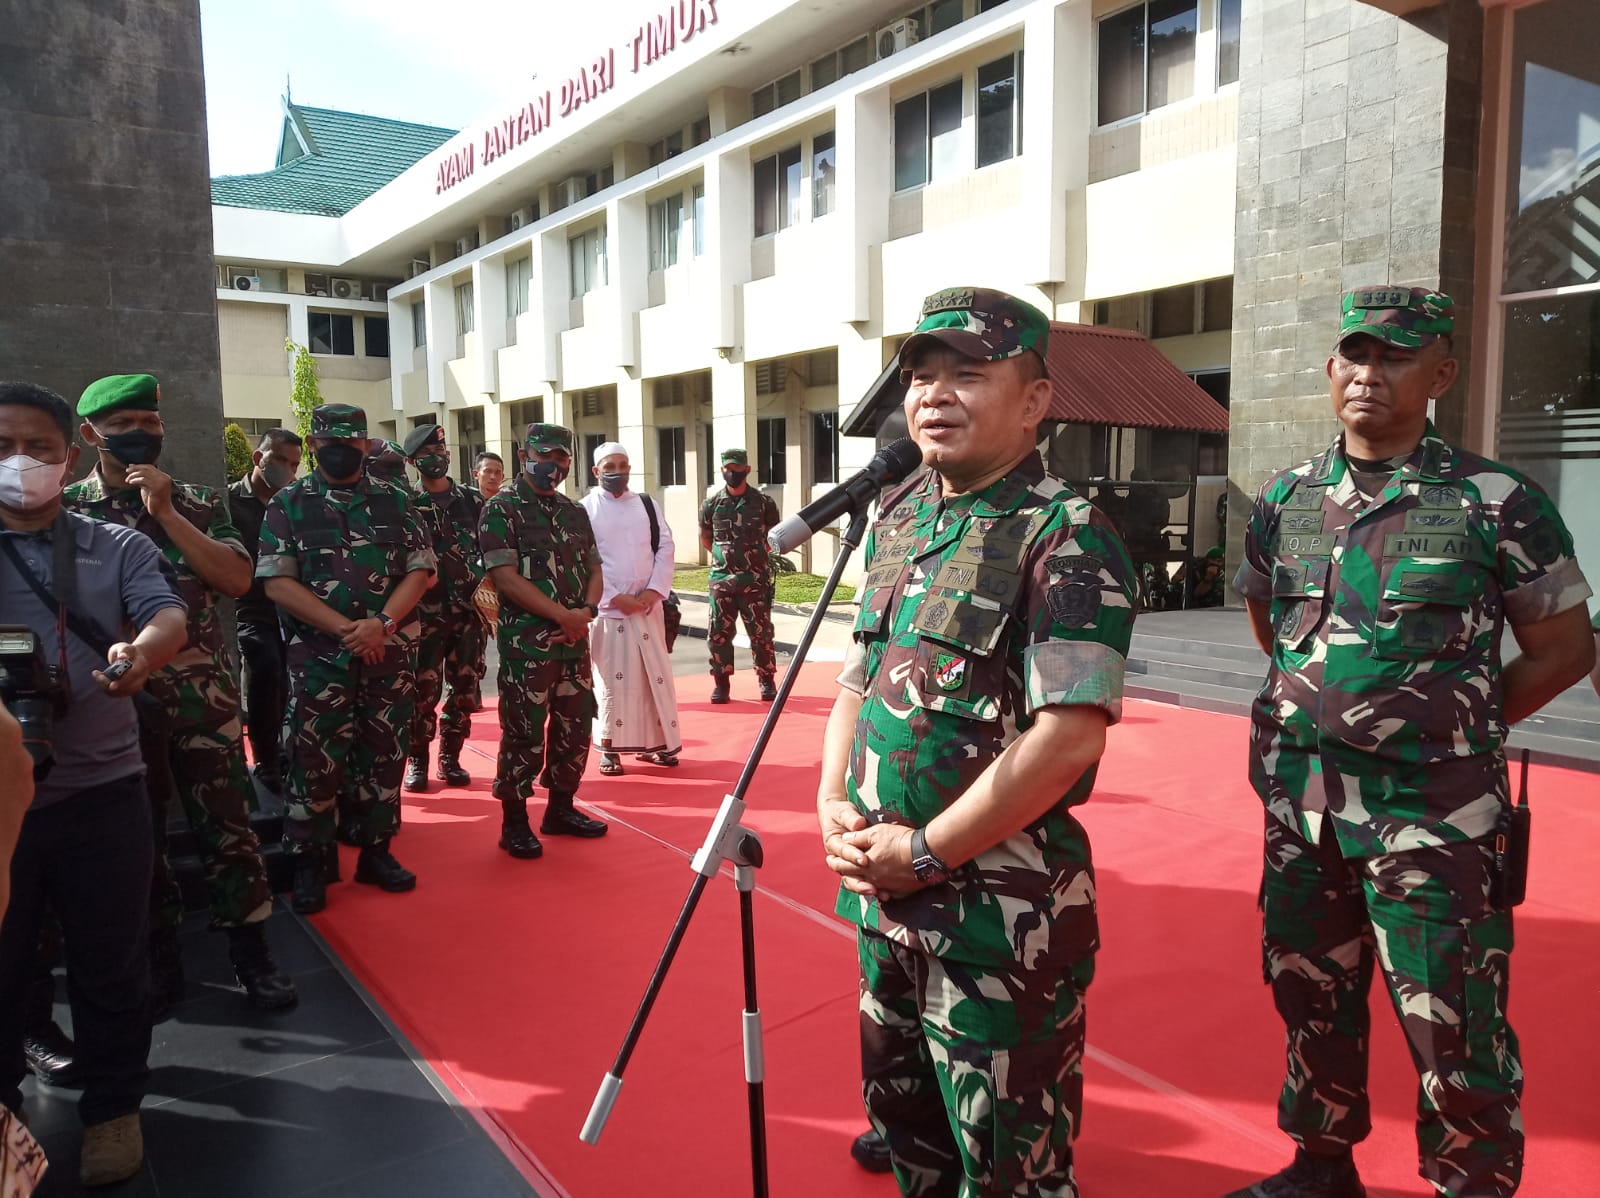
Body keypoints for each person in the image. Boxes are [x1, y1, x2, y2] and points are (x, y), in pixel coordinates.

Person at [1228, 287, 1595, 1198]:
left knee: (1454, 1025)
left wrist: (1455, 718)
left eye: (1395, 357)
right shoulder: (1287, 495)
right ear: (1329, 370)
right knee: (1310, 995)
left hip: (1431, 818)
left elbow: (1564, 647)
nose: (1369, 375)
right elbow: (1266, 612)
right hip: (1302, 812)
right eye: (1355, 355)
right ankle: (1320, 1167)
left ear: (1442, 373)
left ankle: (1469, 1185)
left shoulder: (1494, 499)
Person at [815, 288, 1137, 1198]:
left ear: (1034, 400)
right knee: (908, 1130)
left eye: (969, 374)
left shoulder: (1065, 533)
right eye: (921, 377)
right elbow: (855, 679)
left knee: (1010, 1170)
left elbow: (1068, 735)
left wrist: (924, 849)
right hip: (881, 902)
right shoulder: (902, 515)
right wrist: (830, 800)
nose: (934, 396)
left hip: (1000, 924)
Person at [0, 380, 188, 1186]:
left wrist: (139, 652)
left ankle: (114, 1108)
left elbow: (167, 613)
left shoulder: (116, 546)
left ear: (68, 456)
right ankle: (5, 1116)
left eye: (38, 448)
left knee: (113, 963)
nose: (22, 462)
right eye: (4, 446)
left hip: (104, 791)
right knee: (3, 965)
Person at [63, 375, 295, 1013]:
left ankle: (253, 955)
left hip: (205, 698)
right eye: (126, 422)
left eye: (152, 420)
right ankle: (160, 958)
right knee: (141, 838)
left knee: (229, 828)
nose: (142, 432)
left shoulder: (197, 502)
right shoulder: (68, 512)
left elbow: (238, 579)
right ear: (91, 435)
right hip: (113, 702)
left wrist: (166, 512)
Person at [256, 403, 435, 914]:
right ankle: (311, 862)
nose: (339, 449)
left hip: (390, 653)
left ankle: (376, 852)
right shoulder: (289, 503)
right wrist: (346, 630)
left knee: (383, 754)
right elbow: (277, 581)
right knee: (313, 760)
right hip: (319, 658)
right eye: (328, 441)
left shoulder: (397, 501)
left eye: (350, 441)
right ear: (313, 445)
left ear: (364, 445)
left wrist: (381, 625)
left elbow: (419, 572)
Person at [477, 423, 607, 859]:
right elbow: (504, 578)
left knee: (575, 727)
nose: (554, 464)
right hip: (528, 646)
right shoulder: (502, 509)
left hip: (574, 642)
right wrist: (563, 616)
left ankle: (561, 809)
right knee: (522, 732)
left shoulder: (574, 512)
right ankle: (514, 822)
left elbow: (594, 570)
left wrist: (585, 613)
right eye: (545, 454)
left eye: (562, 456)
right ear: (523, 454)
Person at [579, 442, 681, 775]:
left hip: (647, 610)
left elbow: (665, 546)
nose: (617, 472)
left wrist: (653, 590)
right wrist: (613, 596)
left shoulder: (647, 505)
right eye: (610, 466)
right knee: (612, 682)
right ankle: (610, 747)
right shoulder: (585, 510)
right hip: (610, 613)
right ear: (596, 471)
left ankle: (657, 744)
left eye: (623, 465)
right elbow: (584, 561)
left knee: (654, 679)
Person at [401, 423, 485, 790]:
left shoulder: (473, 500)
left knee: (465, 688)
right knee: (422, 691)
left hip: (470, 613)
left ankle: (450, 757)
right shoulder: (406, 502)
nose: (438, 458)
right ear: (414, 462)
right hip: (424, 615)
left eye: (442, 451)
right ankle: (417, 760)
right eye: (429, 455)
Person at [226, 429, 302, 794]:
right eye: (282, 461)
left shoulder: (296, 503)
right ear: (259, 458)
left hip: (292, 606)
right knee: (265, 668)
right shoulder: (228, 500)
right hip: (250, 608)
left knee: (293, 680)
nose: (289, 470)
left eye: (295, 464)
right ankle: (266, 758)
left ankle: (289, 752)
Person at [699, 448, 780, 704]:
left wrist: (754, 557)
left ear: (747, 470)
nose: (732, 473)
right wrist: (725, 558)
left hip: (754, 581)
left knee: (761, 634)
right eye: (727, 469)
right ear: (722, 470)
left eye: (737, 469)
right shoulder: (712, 504)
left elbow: (773, 536)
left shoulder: (764, 502)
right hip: (722, 582)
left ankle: (766, 680)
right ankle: (721, 684)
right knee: (719, 634)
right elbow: (706, 538)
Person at [465, 451, 506, 712]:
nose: (492, 476)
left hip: (504, 583)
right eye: (487, 471)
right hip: (472, 585)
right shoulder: (465, 504)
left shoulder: (507, 505)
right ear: (475, 473)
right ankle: (470, 689)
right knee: (472, 641)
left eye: (498, 472)